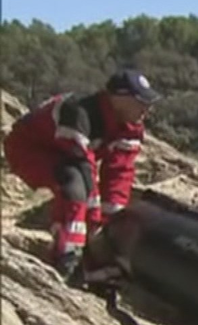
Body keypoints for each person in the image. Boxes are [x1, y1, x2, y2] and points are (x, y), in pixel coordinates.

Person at [2, 69, 159, 284]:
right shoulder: (78, 112)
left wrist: (112, 223)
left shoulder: (130, 127)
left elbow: (119, 173)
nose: (147, 109)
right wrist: (94, 223)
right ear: (119, 98)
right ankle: (65, 257)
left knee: (83, 183)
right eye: (141, 102)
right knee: (74, 184)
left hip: (67, 155)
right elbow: (84, 166)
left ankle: (94, 262)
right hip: (29, 150)